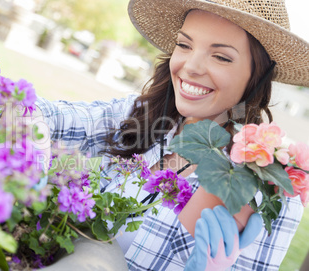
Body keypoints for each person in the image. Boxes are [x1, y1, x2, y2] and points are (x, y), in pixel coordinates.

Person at [35, 0, 309, 270]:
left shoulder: (268, 191)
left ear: (257, 75)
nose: (191, 66)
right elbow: (37, 113)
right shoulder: (140, 117)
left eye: (221, 56)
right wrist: (31, 157)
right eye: (184, 45)